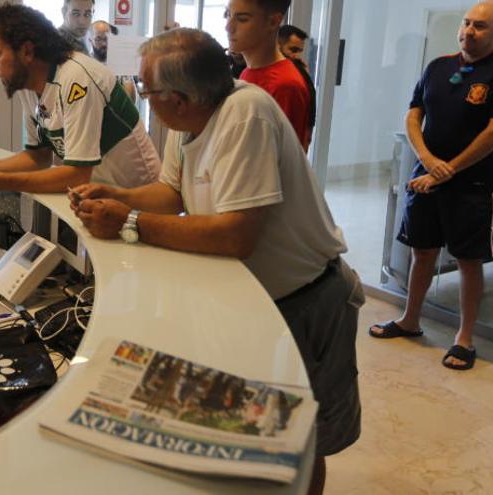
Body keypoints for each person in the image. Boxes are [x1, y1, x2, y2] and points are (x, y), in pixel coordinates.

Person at [70, 28, 363, 495]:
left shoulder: (246, 115)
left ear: (181, 98)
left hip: (305, 303)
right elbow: (172, 192)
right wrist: (117, 194)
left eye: (147, 90)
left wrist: (128, 220)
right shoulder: (188, 122)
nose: (143, 99)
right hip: (253, 301)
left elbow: (235, 235)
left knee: (304, 442)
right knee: (253, 433)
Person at [369, 1, 493, 372]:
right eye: (466, 23)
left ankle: (464, 338)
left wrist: (446, 170)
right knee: (423, 253)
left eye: (480, 26)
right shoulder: (438, 66)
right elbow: (414, 112)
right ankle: (410, 320)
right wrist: (429, 162)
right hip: (427, 180)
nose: (468, 31)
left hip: (474, 186)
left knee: (468, 261)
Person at [0, 4, 160, 194]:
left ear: (27, 52)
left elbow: (77, 175)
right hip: (101, 197)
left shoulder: (78, 78)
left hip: (138, 197)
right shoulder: (28, 86)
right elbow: (39, 156)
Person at [227, 0, 313, 151]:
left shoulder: (285, 85)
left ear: (273, 22)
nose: (228, 27)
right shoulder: (247, 73)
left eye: (242, 19)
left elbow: (285, 161)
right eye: (227, 15)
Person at [89, 20, 138, 101]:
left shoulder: (120, 63)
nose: (104, 44)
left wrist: (128, 71)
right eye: (98, 39)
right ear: (90, 40)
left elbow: (131, 101)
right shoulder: (85, 64)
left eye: (107, 39)